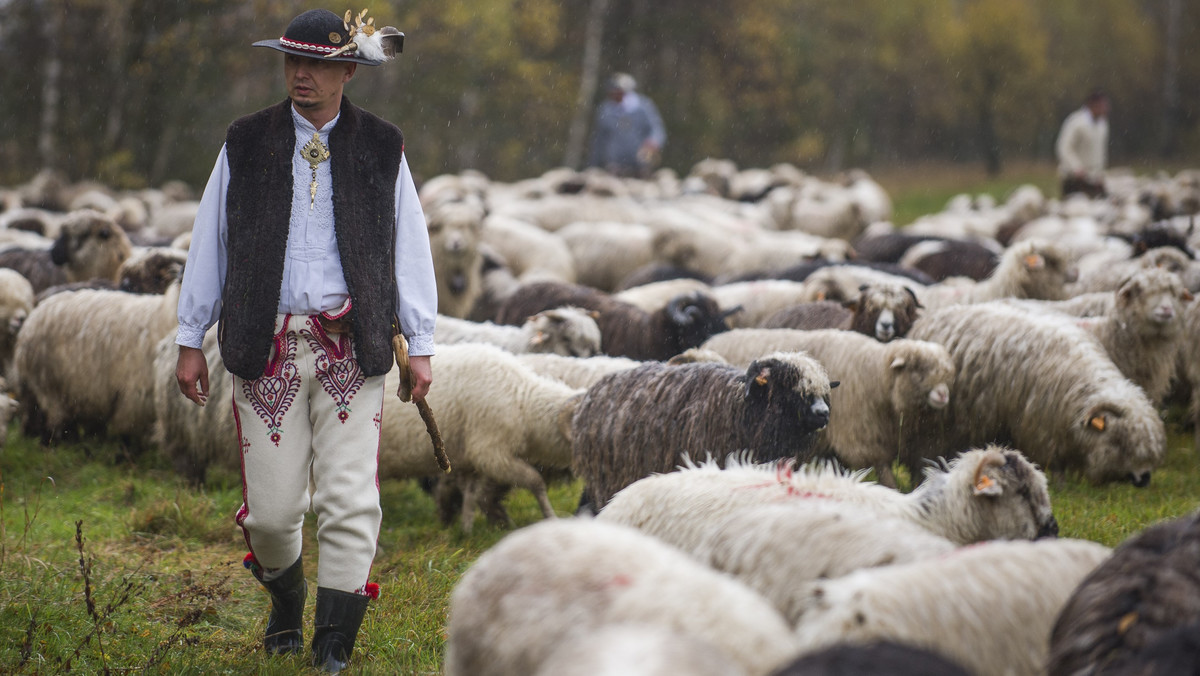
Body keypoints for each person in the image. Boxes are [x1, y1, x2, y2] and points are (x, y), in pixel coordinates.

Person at [173, 8, 436, 673]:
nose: (301, 75)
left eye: (316, 64)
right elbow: (212, 240)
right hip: (265, 347)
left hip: (354, 347)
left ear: (348, 70)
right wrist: (188, 334)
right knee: (272, 512)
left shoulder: (382, 144)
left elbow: (410, 244)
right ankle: (286, 602)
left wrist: (422, 340)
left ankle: (332, 649)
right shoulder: (246, 139)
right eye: (292, 62)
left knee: (351, 501)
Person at [587, 72, 667, 178]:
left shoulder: (643, 107)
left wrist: (653, 143)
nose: (614, 94)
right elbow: (599, 138)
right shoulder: (605, 110)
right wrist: (593, 164)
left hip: (640, 163)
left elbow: (657, 129)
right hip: (614, 164)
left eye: (617, 91)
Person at [1055, 89, 1110, 198]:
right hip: (1074, 180)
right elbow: (1064, 147)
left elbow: (1100, 152)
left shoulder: (1103, 124)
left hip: (1094, 179)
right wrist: (1076, 168)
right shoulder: (1076, 122)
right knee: (1076, 211)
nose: (1106, 109)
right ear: (1093, 105)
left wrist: (1100, 173)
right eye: (1102, 105)